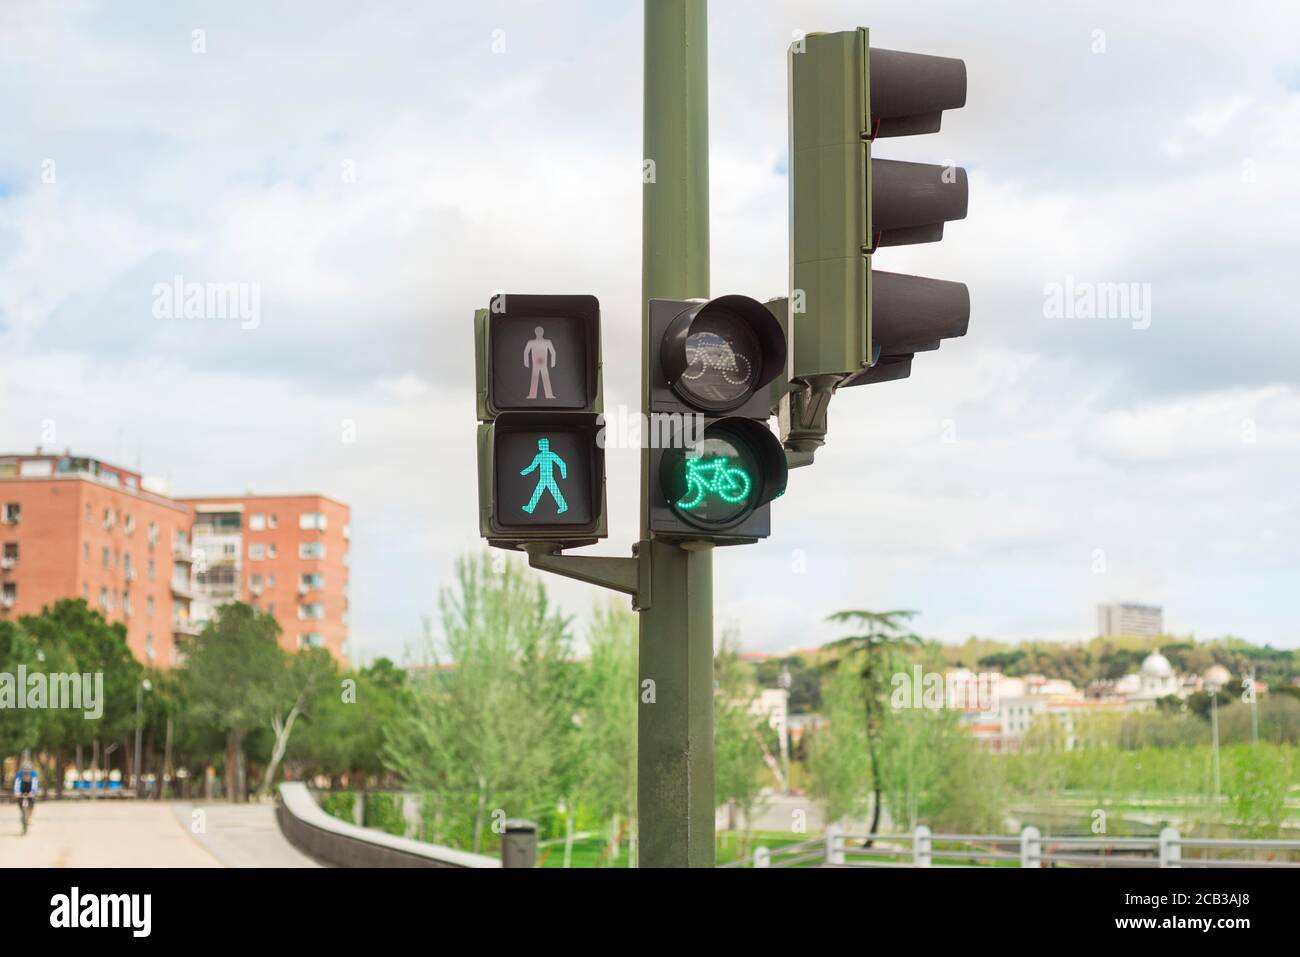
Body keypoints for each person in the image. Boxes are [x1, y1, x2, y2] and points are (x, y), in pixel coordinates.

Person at [14, 757, 39, 829]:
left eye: (28, 771)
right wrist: (17, 792)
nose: (26, 772)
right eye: (25, 771)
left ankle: (29, 816)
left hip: (30, 789)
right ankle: (22, 813)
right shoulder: (19, 774)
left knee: (32, 803)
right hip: (22, 789)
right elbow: (17, 783)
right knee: (19, 801)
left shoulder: (34, 774)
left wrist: (33, 792)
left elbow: (35, 783)